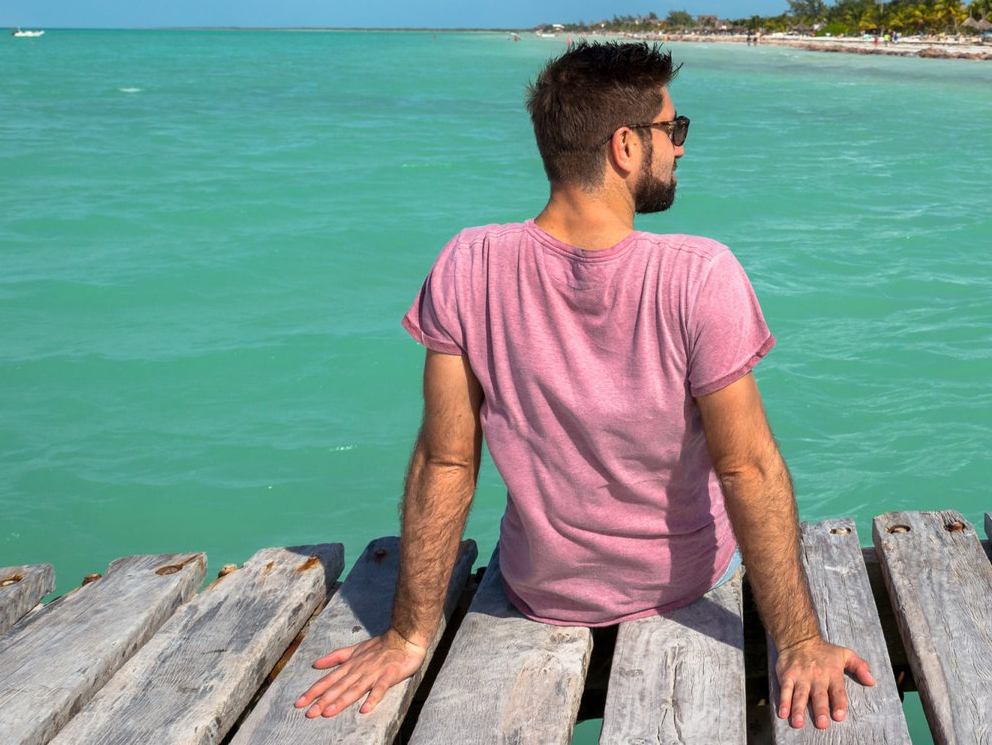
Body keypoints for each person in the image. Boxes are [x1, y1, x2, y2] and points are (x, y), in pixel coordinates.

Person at [295, 43, 871, 730]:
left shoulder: (467, 262)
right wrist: (800, 642)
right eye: (673, 129)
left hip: (540, 590)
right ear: (626, 146)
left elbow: (446, 460)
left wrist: (408, 635)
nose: (680, 149)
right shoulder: (699, 273)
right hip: (684, 583)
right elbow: (746, 466)